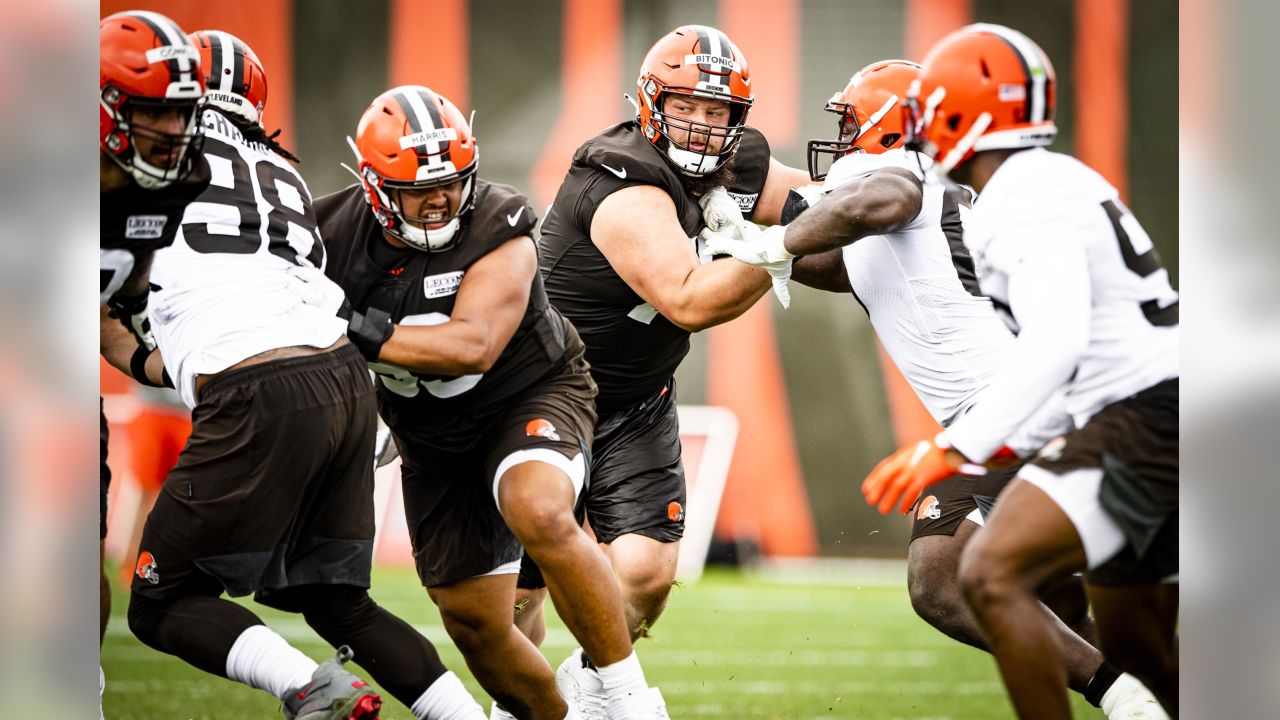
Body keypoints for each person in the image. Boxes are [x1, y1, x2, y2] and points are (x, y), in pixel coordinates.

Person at [707, 58, 1166, 720]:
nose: (841, 138)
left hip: (1016, 414)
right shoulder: (938, 186)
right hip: (1037, 409)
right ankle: (1149, 695)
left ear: (891, 127)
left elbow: (885, 200)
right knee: (1057, 609)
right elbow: (847, 265)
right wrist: (747, 242)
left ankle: (1130, 699)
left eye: (853, 122)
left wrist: (772, 241)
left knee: (941, 576)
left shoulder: (896, 174)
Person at [103, 28, 488, 720]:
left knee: (160, 602)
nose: (164, 126)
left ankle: (310, 689)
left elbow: (119, 290)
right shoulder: (284, 171)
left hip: (256, 384)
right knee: (337, 601)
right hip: (341, 378)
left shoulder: (147, 165)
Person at [316, 84, 667, 720]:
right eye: (418, 188)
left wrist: (354, 329)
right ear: (372, 185)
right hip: (430, 434)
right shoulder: (326, 240)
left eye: (451, 181)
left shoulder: (498, 220)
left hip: (527, 391)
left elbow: (472, 346)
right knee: (474, 621)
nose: (439, 199)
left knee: (538, 507)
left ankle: (627, 697)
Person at [859, 24, 1179, 719]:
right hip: (1138, 415)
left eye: (928, 115)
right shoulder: (1047, 180)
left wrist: (952, 447)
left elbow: (1057, 342)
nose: (922, 136)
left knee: (990, 572)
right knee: (1142, 651)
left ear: (959, 112)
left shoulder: (1016, 197)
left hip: (1143, 420)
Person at [532, 24, 812, 715]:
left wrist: (893, 197)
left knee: (647, 574)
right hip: (541, 395)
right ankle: (524, 702)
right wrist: (794, 242)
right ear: (652, 102)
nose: (701, 123)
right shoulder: (621, 179)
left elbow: (807, 194)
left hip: (635, 398)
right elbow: (687, 297)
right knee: (511, 603)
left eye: (717, 112)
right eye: (686, 105)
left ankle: (581, 686)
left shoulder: (736, 162)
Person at [99, 10, 210, 715]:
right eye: (153, 113)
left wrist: (180, 368)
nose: (172, 131)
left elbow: (111, 310)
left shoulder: (167, 187)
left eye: (180, 114)